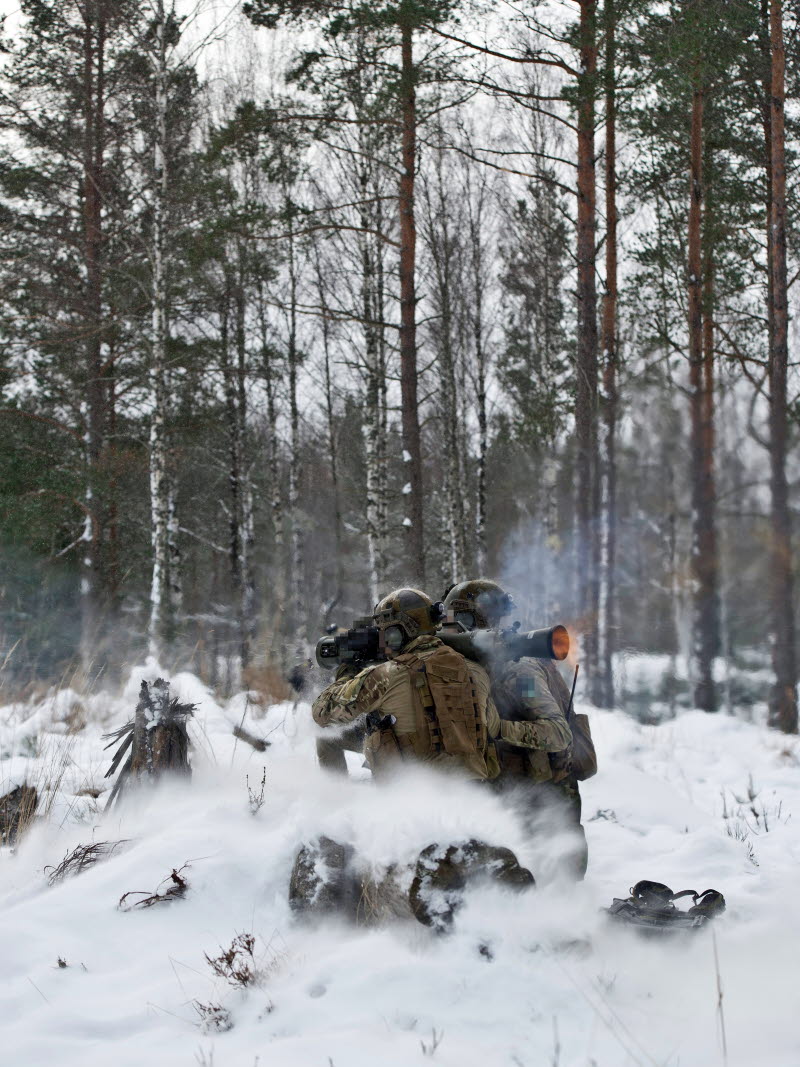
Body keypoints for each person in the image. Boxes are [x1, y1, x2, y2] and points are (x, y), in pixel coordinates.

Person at [312, 587, 564, 781]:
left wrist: (348, 671)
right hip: (475, 791)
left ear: (395, 634)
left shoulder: (386, 674)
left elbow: (322, 713)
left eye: (384, 633)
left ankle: (335, 808)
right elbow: (485, 725)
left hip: (413, 793)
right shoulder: (477, 670)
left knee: (329, 736)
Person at [442, 579, 590, 881]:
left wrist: (500, 729)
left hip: (545, 798)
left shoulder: (519, 670)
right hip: (516, 792)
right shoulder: (486, 662)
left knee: (552, 892)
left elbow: (557, 732)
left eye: (458, 620)